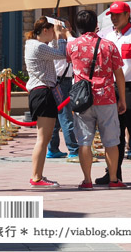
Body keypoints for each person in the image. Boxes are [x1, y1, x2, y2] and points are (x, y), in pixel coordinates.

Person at [66, 9, 127, 189]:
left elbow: (69, 60)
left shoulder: (72, 46)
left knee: (84, 141)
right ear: (96, 25)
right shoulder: (108, 45)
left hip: (82, 99)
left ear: (78, 26)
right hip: (106, 97)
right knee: (111, 141)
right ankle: (114, 179)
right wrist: (122, 98)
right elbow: (119, 74)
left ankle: (87, 180)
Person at [96, 1, 131, 187]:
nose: (114, 17)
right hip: (112, 88)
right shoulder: (108, 36)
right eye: (112, 14)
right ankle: (113, 173)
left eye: (118, 14)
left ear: (127, 14)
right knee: (114, 134)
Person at [25, 17, 69, 187]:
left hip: (41, 93)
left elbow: (53, 52)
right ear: (45, 30)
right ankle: (36, 177)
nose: (54, 33)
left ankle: (38, 175)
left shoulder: (34, 45)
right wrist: (61, 37)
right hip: (43, 93)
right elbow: (61, 55)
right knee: (43, 139)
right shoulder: (38, 46)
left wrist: (56, 36)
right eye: (51, 30)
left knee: (44, 138)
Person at [47, 18, 79, 161]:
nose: (69, 28)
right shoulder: (60, 43)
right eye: (66, 26)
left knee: (57, 118)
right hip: (63, 82)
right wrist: (62, 35)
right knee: (66, 117)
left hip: (56, 81)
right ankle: (73, 149)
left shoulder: (50, 43)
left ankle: (52, 149)